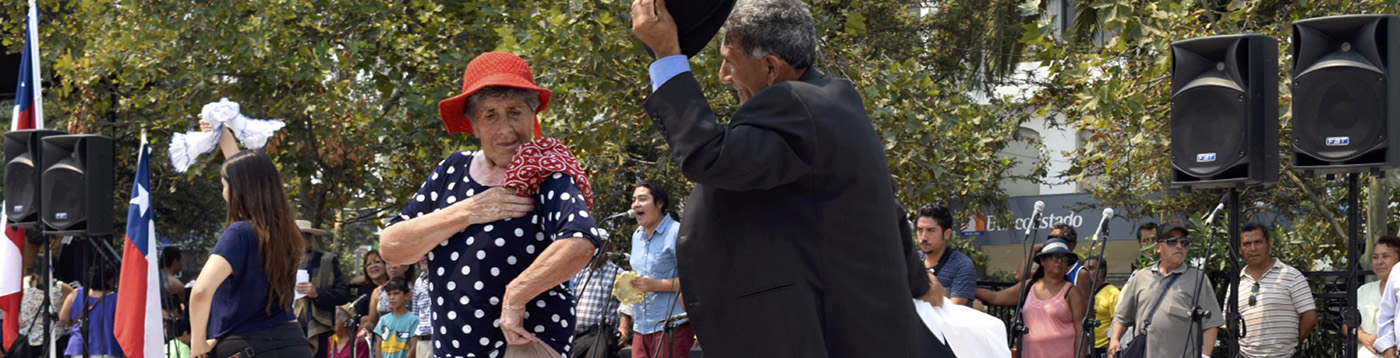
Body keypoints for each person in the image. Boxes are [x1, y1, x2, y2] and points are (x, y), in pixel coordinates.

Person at [630, 0, 937, 355]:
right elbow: (884, 207)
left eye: (730, 61)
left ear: (771, 68)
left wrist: (666, 54)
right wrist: (919, 284)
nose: (723, 75)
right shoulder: (832, 104)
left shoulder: (794, 103)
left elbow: (708, 157)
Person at [378, 51, 602, 357]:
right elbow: (392, 246)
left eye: (515, 112)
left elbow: (580, 241)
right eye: (490, 115)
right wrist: (469, 211)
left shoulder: (547, 172)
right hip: (452, 349)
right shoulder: (452, 169)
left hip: (523, 346)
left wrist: (516, 296)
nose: (506, 129)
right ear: (472, 124)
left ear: (532, 116)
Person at [189, 150, 313, 358]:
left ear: (238, 188)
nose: (224, 193)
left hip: (248, 346)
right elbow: (248, 167)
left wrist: (197, 344)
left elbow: (201, 292)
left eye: (224, 185)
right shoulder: (289, 232)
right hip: (294, 342)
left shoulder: (239, 233)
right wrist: (224, 132)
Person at [1107, 224, 1222, 358]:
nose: (1179, 246)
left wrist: (1205, 355)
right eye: (1172, 241)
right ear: (1158, 247)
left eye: (1183, 242)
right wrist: (1114, 340)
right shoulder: (1141, 277)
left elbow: (1211, 323)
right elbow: (1122, 317)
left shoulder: (1198, 278)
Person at [975, 239, 1085, 357]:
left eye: (1064, 259)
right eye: (1055, 257)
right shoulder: (1029, 286)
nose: (1060, 262)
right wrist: (966, 287)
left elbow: (1081, 331)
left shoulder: (1072, 292)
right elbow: (995, 297)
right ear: (1043, 261)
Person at [1229, 222, 1317, 358]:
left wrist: (1291, 344)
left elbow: (1310, 317)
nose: (1253, 248)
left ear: (1269, 244)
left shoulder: (1291, 276)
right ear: (1240, 249)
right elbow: (1228, 321)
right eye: (1247, 244)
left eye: (1258, 242)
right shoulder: (1236, 283)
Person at [624, 182, 691, 358]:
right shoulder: (636, 237)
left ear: (660, 203)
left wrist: (654, 284)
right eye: (633, 200)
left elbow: (694, 282)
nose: (635, 204)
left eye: (643, 199)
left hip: (672, 326)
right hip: (641, 327)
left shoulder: (677, 232)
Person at [295, 220, 353, 357]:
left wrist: (317, 293)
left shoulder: (326, 260)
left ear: (309, 239)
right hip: (286, 325)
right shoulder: (279, 262)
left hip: (316, 326)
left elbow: (344, 294)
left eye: (298, 236)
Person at [568, 241, 624, 358]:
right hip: (574, 335)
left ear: (609, 247)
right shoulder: (578, 272)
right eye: (593, 243)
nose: (596, 247)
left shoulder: (618, 273)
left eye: (602, 243)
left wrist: (624, 326)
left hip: (600, 336)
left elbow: (626, 303)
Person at [916, 204, 976, 306]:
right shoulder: (911, 260)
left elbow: (954, 312)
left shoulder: (962, 265)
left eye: (931, 230)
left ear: (947, 234)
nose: (923, 237)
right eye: (920, 230)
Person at [59, 263, 122, 358]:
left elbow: (63, 317)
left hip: (78, 347)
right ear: (110, 280)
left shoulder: (76, 293)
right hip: (106, 347)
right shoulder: (116, 300)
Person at [1015, 223, 1091, 300]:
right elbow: (1020, 277)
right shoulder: (1046, 268)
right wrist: (1034, 251)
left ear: (1072, 245)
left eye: (1058, 238)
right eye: (1050, 238)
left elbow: (1085, 306)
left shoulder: (1080, 273)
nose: (1054, 241)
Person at [1359, 236, 1400, 357]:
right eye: (1375, 257)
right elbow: (1348, 323)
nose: (1379, 262)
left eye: (1385, 256)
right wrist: (1363, 336)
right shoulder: (1363, 290)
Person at [371, 278, 418, 358]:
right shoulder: (383, 320)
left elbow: (413, 348)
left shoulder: (414, 320)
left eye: (396, 293)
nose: (392, 297)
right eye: (389, 294)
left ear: (406, 296)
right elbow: (378, 347)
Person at [1082, 256, 1118, 358]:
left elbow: (1117, 323)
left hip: (1103, 348)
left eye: (1091, 268)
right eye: (1085, 269)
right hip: (1085, 348)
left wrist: (1110, 349)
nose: (1086, 272)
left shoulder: (1113, 293)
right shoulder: (1083, 291)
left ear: (1101, 272)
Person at [351, 250, 389, 319]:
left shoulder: (395, 286)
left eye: (377, 262)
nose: (373, 266)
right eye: (368, 264)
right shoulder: (363, 290)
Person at [409, 256, 431, 358]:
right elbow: (415, 316)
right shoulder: (419, 282)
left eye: (427, 254)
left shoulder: (446, 279)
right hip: (423, 342)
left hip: (443, 340)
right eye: (421, 254)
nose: (423, 258)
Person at [160, 246, 186, 318]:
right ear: (175, 262)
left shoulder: (152, 279)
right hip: (171, 324)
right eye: (181, 260)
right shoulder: (175, 284)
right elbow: (185, 301)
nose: (182, 264)